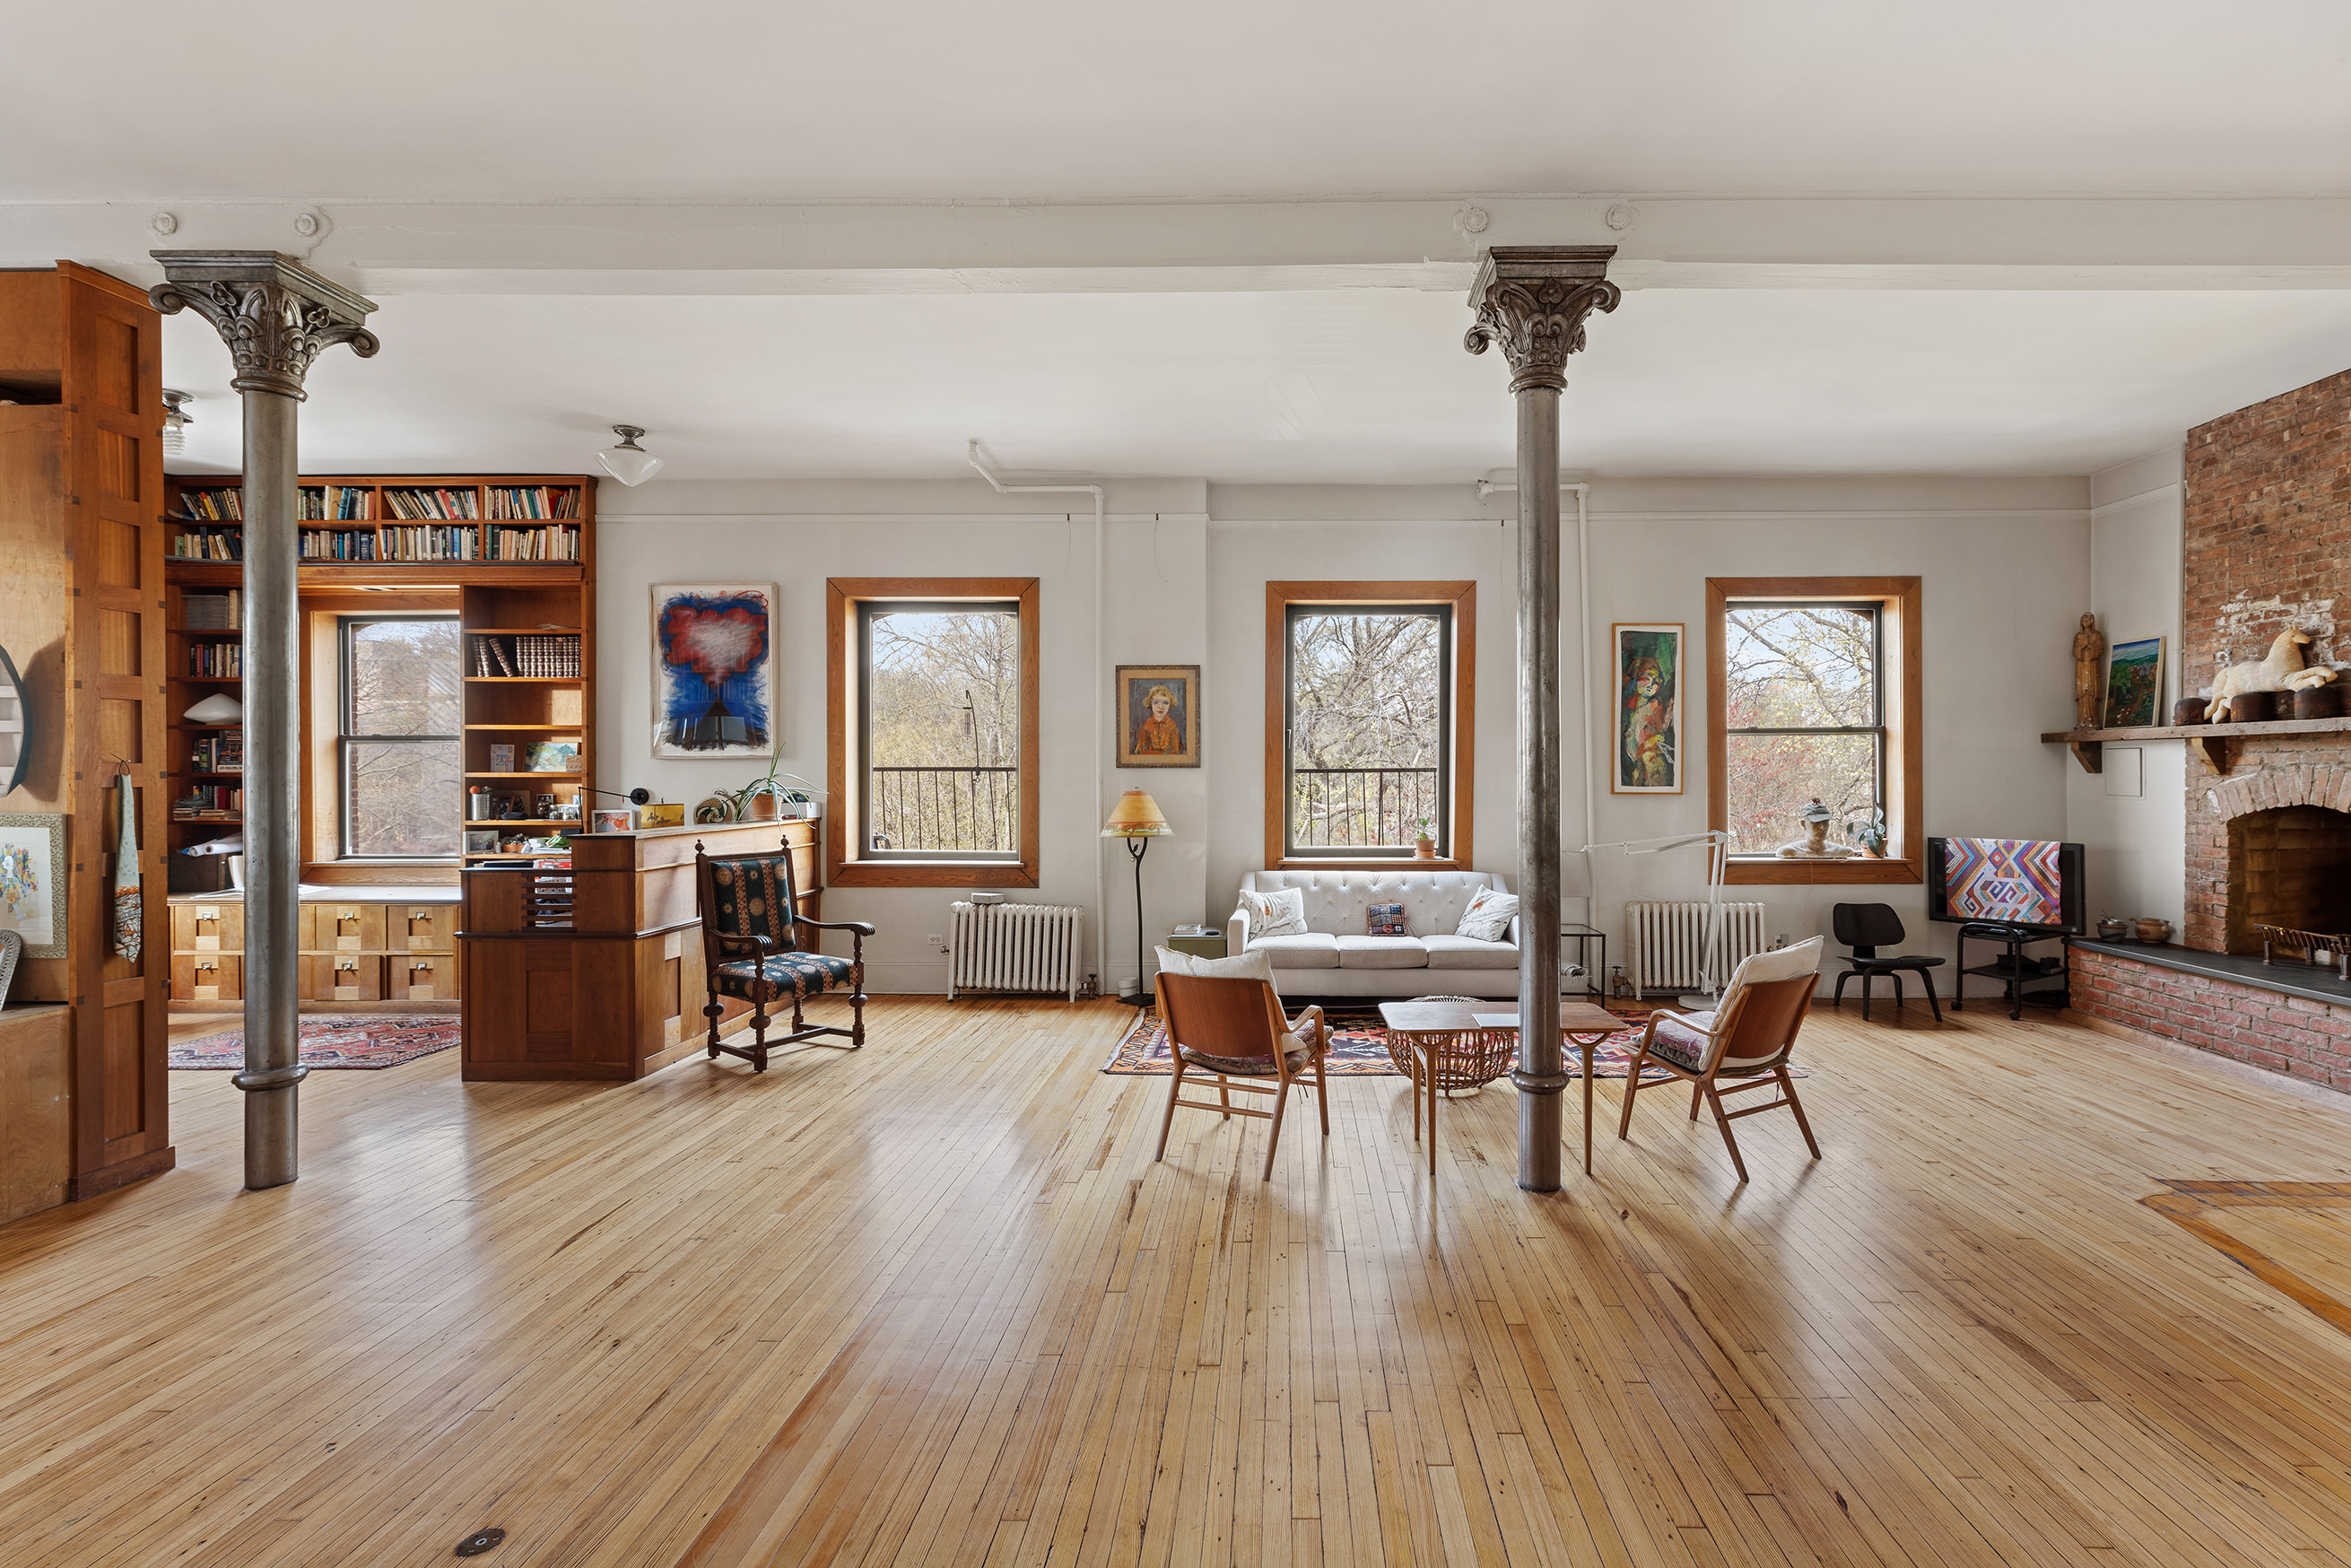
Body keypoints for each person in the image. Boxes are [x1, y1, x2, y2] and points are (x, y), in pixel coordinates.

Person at [1622, 657, 1673, 787]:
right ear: (1635, 679)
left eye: (1656, 681)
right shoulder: (1630, 708)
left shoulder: (1655, 706)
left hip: (1651, 761)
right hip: (1634, 762)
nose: (1651, 685)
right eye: (1646, 678)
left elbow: (1661, 730)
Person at [1132, 684, 1184, 754]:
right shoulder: (1146, 727)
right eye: (1156, 702)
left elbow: (1175, 751)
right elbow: (1140, 751)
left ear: (1170, 705)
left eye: (1165, 703)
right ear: (1150, 703)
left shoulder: (1172, 727)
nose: (1160, 707)